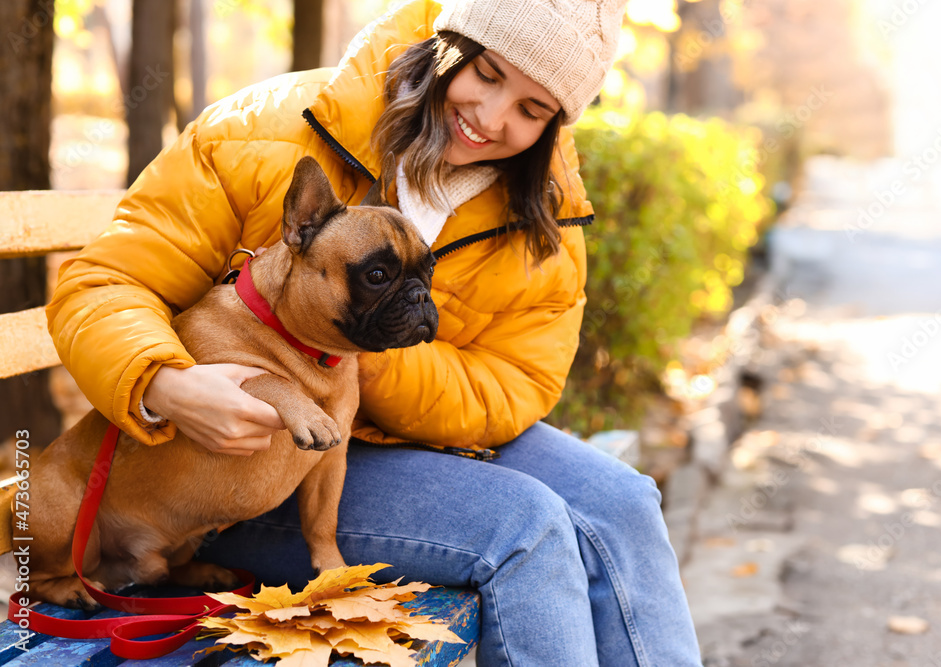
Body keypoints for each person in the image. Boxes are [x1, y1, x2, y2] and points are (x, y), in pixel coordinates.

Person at [46, 0, 702, 664]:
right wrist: (165, 381)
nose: (493, 118)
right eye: (487, 73)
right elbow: (103, 282)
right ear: (448, 45)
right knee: (524, 528)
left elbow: (513, 386)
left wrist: (357, 352)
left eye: (533, 111)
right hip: (232, 470)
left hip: (396, 437)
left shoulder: (547, 214)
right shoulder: (263, 132)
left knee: (622, 500)